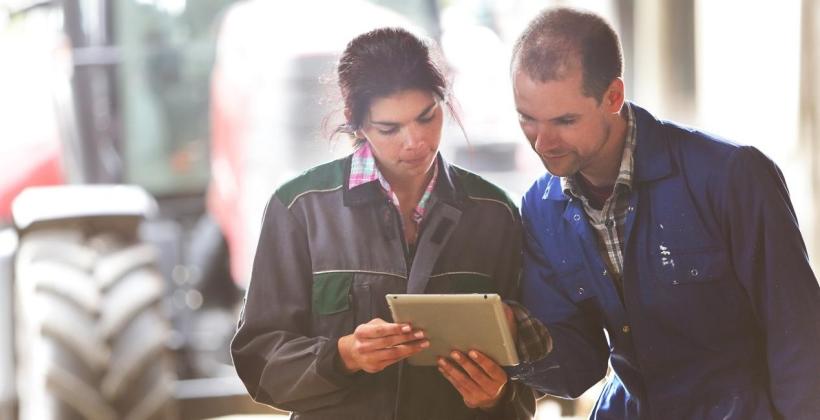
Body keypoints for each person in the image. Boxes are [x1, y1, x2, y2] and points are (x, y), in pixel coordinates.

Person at [503, 7, 820, 420]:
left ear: (613, 97)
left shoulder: (730, 176)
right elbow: (577, 370)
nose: (542, 142)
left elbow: (800, 335)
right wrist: (514, 336)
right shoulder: (541, 206)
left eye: (565, 120)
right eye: (527, 119)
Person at [231, 27, 536, 419]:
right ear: (354, 122)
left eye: (427, 117)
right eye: (389, 129)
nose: (415, 142)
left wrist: (499, 396)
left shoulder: (494, 213)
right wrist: (342, 356)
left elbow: (530, 364)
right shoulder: (301, 209)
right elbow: (258, 360)